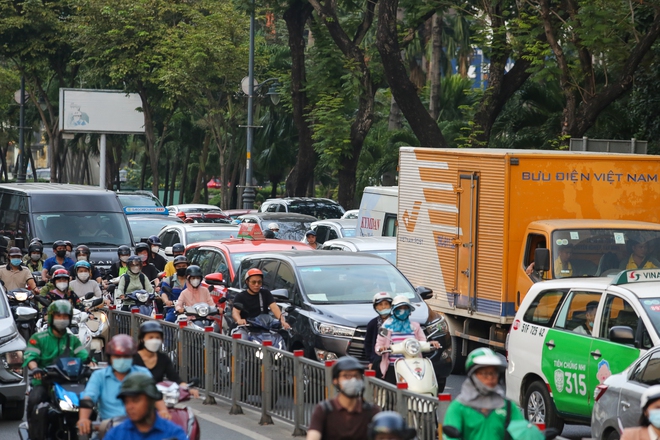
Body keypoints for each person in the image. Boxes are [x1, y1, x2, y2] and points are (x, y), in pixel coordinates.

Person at [78, 335, 170, 434]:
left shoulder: (142, 373)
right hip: (108, 429)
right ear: (110, 358)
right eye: (117, 356)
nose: (122, 360)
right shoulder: (99, 376)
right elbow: (89, 398)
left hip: (140, 429)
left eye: (126, 356)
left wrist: (163, 411)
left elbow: (155, 395)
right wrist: (83, 418)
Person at [443, 348, 528, 440]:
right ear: (473, 375)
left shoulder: (507, 406)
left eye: (494, 373)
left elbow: (522, 434)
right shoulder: (459, 407)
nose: (490, 377)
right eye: (485, 373)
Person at [24, 300, 90, 418]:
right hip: (44, 381)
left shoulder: (73, 340)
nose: (62, 319)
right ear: (51, 317)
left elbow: (83, 355)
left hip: (69, 381)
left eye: (65, 316)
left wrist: (91, 364)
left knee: (89, 402)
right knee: (35, 399)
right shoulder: (39, 338)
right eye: (58, 316)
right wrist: (35, 369)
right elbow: (30, 356)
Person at [306, 356, 380, 440]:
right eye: (346, 376)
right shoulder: (324, 410)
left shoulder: (371, 412)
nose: (352, 380)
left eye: (356, 376)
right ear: (335, 380)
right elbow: (313, 436)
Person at [375, 295, 440, 384]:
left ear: (410, 311)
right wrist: (382, 349)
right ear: (394, 310)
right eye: (399, 308)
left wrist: (431, 344)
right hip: (393, 366)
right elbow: (378, 346)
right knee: (391, 393)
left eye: (405, 308)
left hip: (413, 365)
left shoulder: (416, 326)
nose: (402, 311)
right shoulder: (386, 327)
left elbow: (422, 343)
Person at [103, 372, 187, 440]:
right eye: (126, 402)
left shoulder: (173, 433)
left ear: (151, 400)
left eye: (136, 400)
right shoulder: (116, 435)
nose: (129, 406)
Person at [133, 321, 199, 397]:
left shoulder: (163, 358)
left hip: (157, 398)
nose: (154, 341)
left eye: (157, 337)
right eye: (150, 337)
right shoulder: (133, 358)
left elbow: (175, 378)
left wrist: (187, 388)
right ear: (142, 339)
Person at [231, 268, 291, 337]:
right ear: (247, 282)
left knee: (283, 337)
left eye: (259, 282)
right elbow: (235, 312)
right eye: (253, 282)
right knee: (241, 338)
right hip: (246, 329)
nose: (257, 285)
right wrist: (239, 320)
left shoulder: (265, 293)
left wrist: (282, 321)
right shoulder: (240, 296)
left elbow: (274, 307)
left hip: (264, 329)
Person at [365, 292, 392, 377]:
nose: (384, 307)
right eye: (380, 304)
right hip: (378, 359)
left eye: (386, 304)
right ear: (375, 307)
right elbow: (368, 344)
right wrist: (371, 361)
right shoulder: (373, 324)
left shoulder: (397, 322)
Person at [161, 256, 188, 322]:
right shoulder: (169, 280)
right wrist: (167, 301)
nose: (181, 268)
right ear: (175, 267)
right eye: (179, 266)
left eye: (184, 266)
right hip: (173, 309)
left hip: (190, 309)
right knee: (169, 321)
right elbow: (163, 293)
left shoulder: (192, 280)